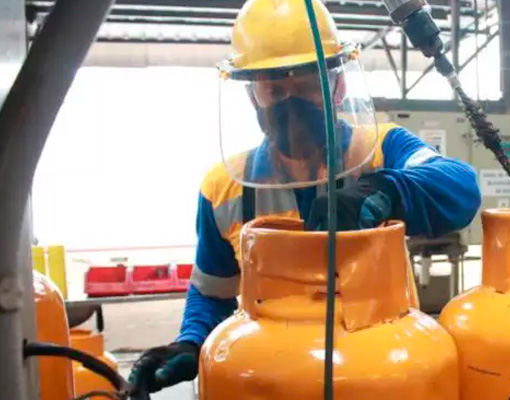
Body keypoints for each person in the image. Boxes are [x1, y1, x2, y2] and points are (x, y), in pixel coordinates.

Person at [127, 0, 481, 397]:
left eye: (309, 84)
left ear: (338, 86)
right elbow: (213, 292)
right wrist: (192, 343)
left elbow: (461, 187)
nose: (290, 101)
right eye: (274, 88)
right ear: (253, 98)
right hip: (272, 375)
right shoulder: (226, 188)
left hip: (382, 368)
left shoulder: (380, 150)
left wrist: (385, 189)